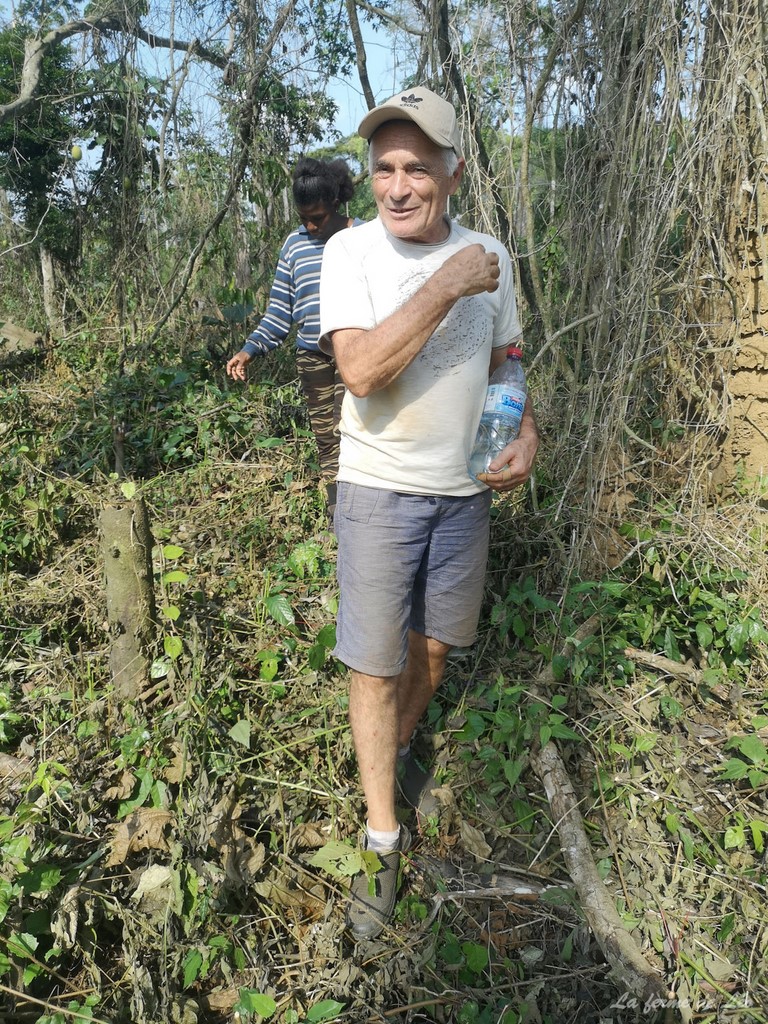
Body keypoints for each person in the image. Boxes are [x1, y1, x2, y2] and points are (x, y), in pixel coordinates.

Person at [318, 87, 540, 940]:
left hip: (464, 498)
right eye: (384, 168)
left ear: (453, 170)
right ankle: (381, 838)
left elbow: (507, 357)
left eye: (417, 167)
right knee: (373, 667)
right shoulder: (351, 253)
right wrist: (445, 284)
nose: (398, 185)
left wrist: (526, 430)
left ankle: (399, 751)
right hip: (378, 491)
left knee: (435, 653)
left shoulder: (493, 254)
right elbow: (364, 372)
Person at [226, 157, 361, 516]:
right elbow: (279, 311)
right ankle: (340, 516)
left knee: (356, 433)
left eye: (317, 217)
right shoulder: (294, 245)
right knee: (327, 438)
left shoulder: (363, 238)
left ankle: (367, 512)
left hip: (359, 355)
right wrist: (249, 349)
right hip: (313, 359)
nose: (311, 225)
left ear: (336, 203)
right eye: (303, 218)